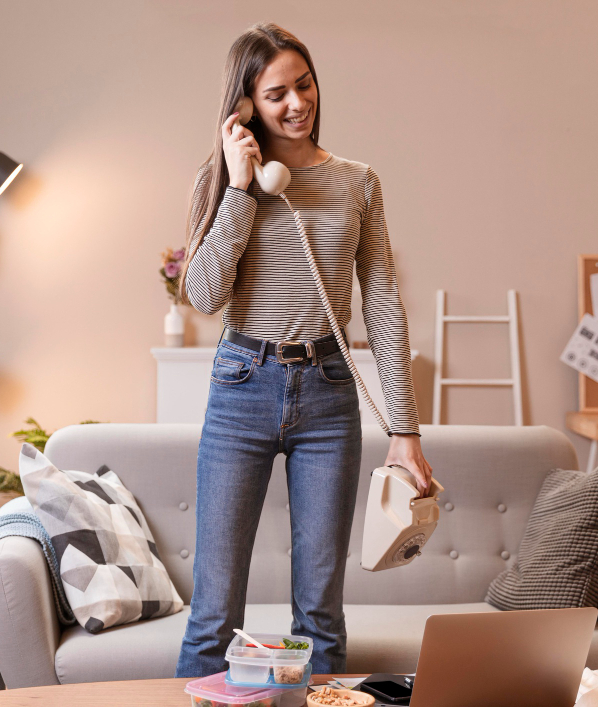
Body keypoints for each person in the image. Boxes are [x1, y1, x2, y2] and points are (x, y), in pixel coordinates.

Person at [174, 22, 433, 678]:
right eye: (276, 93)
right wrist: (239, 187)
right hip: (242, 385)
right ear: (245, 107)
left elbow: (382, 307)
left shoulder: (358, 182)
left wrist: (405, 431)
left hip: (328, 390)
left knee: (320, 609)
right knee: (214, 608)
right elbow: (203, 296)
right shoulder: (231, 179)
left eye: (305, 84)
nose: (297, 103)